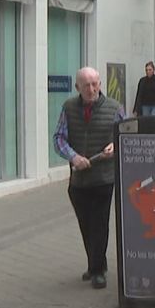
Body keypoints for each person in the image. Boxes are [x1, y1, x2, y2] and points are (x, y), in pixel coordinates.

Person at [54, 67, 126, 289]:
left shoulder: (115, 108)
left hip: (103, 177)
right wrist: (73, 157)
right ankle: (95, 263)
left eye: (95, 84)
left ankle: (97, 271)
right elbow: (59, 138)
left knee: (99, 224)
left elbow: (127, 133)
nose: (92, 89)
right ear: (78, 87)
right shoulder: (68, 108)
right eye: (86, 85)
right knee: (85, 224)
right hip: (78, 180)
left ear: (100, 84)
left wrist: (116, 144)